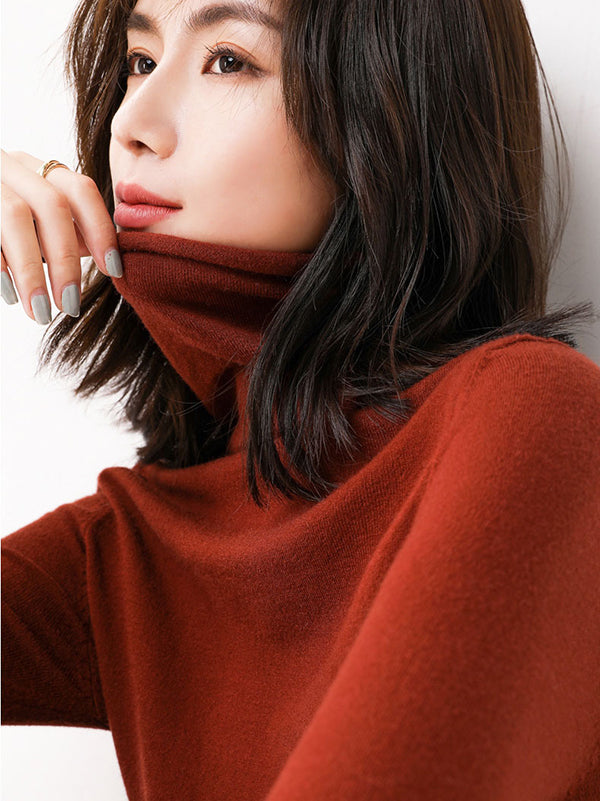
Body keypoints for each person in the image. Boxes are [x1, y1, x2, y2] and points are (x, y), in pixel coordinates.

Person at [2, 0, 600, 798]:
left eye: (230, 61)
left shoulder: (530, 412)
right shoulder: (135, 542)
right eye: (140, 62)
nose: (132, 123)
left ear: (386, 112)